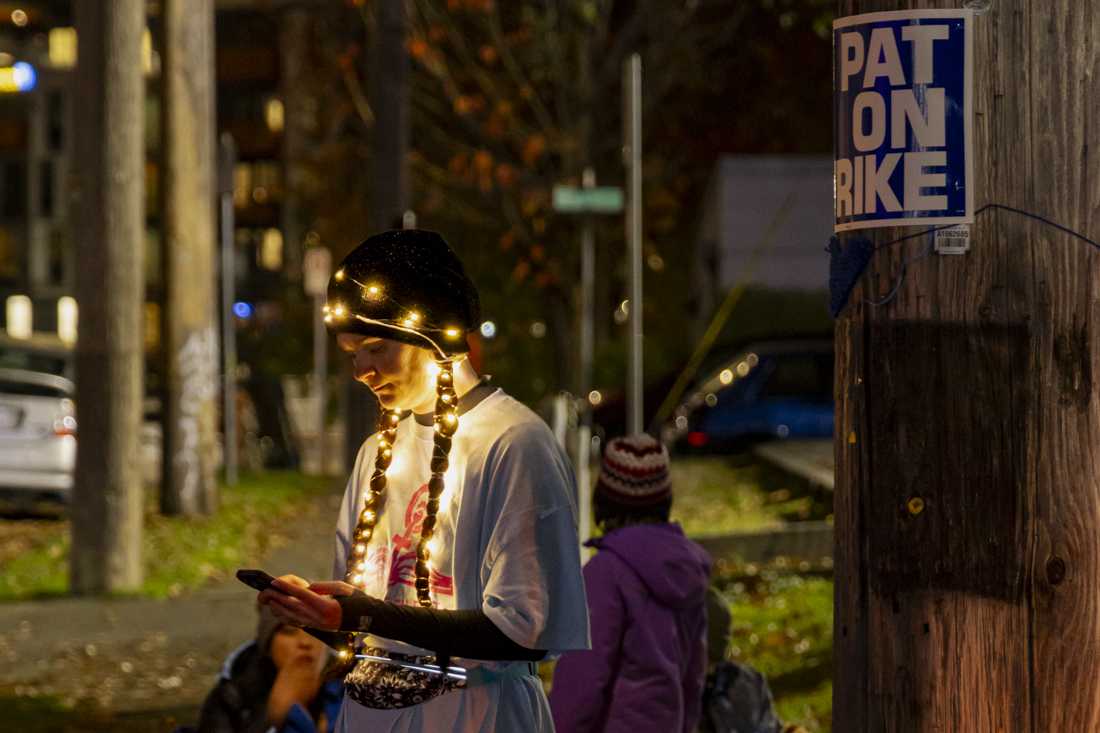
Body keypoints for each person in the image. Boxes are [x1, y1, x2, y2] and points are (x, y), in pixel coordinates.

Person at [257, 229, 590, 732]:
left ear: (434, 337)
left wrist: (368, 616)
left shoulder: (514, 443)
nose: (361, 371)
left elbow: (523, 632)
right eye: (351, 355)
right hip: (369, 715)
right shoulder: (376, 454)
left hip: (476, 714)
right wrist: (322, 615)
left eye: (374, 348)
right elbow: (372, 629)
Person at [549, 435, 712, 733]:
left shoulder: (605, 573)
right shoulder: (688, 571)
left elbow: (583, 678)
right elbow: (693, 676)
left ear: (604, 499)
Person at [195, 604, 343, 733]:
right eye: (289, 630)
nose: (305, 642)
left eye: (316, 632)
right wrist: (277, 717)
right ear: (268, 644)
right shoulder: (235, 692)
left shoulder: (352, 688)